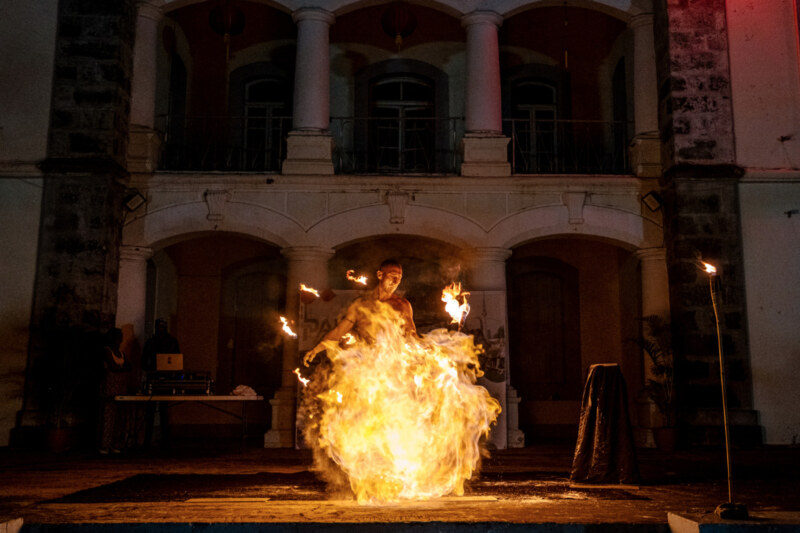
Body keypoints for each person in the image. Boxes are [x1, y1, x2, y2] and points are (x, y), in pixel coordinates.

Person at [303, 258, 416, 366]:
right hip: (365, 366)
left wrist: (427, 348)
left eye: (399, 277)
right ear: (380, 275)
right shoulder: (360, 305)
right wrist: (316, 349)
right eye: (392, 276)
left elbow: (412, 335)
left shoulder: (402, 305)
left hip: (392, 365)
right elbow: (339, 332)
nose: (396, 281)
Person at [141, 318, 180, 448]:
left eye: (162, 327)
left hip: (166, 378)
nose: (160, 329)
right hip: (154, 378)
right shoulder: (151, 343)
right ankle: (148, 439)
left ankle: (164, 439)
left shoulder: (171, 342)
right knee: (151, 411)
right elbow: (143, 361)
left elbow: (176, 360)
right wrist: (151, 370)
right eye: (159, 327)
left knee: (164, 410)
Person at [97, 327, 131, 454]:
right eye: (117, 338)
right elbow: (112, 366)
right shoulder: (107, 351)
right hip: (110, 387)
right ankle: (104, 444)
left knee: (119, 417)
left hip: (121, 387)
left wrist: (119, 368)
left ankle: (116, 443)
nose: (120, 340)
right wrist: (120, 368)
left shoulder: (121, 353)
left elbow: (128, 366)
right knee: (108, 415)